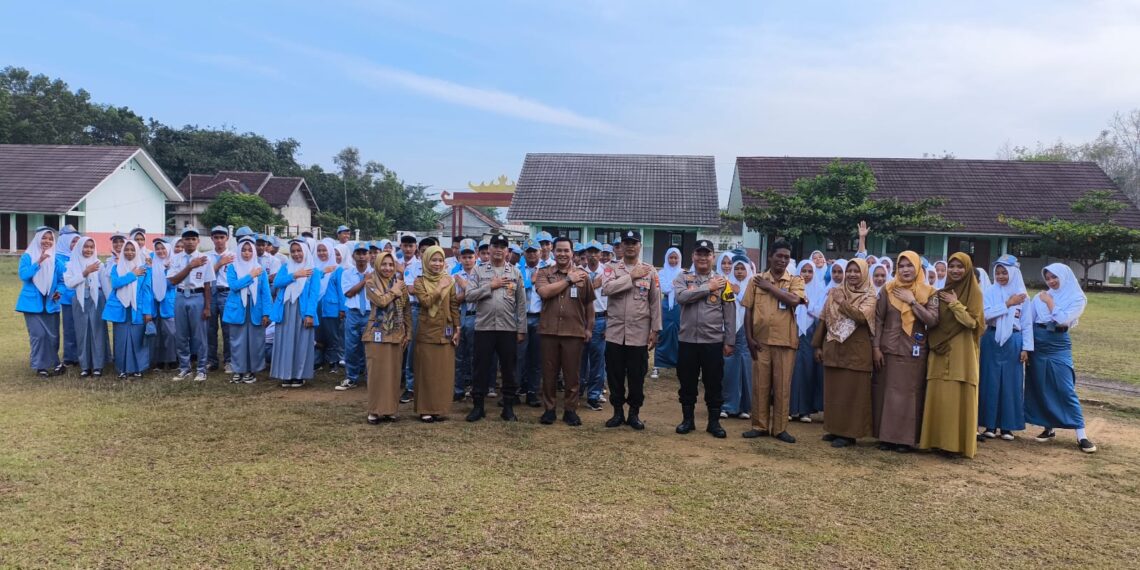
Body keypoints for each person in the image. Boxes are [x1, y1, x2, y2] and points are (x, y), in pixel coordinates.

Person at [1024, 263, 1096, 453]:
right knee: (1040, 385)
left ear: (1064, 276)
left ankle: (1081, 434)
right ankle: (1048, 428)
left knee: (1065, 387)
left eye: (1054, 277)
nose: (1051, 281)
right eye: (1047, 278)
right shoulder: (1039, 297)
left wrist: (1050, 302)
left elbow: (1062, 319)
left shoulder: (1077, 297)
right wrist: (1027, 347)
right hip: (1038, 342)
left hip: (1058, 343)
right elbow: (1029, 322)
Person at [872, 251, 939, 453]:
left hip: (914, 351)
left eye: (909, 265)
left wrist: (912, 301)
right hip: (889, 349)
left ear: (918, 267)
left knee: (910, 395)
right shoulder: (887, 289)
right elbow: (878, 319)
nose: (905, 270)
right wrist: (875, 347)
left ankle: (905, 439)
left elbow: (932, 320)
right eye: (901, 266)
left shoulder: (930, 292)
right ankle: (886, 437)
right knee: (888, 393)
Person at [920, 252, 984, 458]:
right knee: (938, 394)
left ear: (968, 270)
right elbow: (932, 321)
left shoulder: (975, 293)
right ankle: (935, 441)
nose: (956, 270)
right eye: (952, 266)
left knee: (957, 396)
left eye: (960, 267)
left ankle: (955, 445)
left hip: (962, 354)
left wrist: (955, 304)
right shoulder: (939, 293)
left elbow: (972, 323)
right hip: (939, 350)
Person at [741, 239, 805, 443]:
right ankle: (759, 426)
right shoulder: (756, 280)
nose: (783, 260)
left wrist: (770, 287)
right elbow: (748, 310)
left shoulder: (795, 280)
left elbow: (794, 300)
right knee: (760, 385)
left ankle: (780, 429)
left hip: (786, 342)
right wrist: (749, 338)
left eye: (787, 257)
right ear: (770, 256)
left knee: (782, 387)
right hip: (760, 342)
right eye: (779, 256)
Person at [600, 230, 662, 430]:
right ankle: (617, 412)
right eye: (626, 242)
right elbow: (606, 289)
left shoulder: (650, 270)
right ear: (621, 246)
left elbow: (655, 302)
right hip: (615, 333)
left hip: (639, 333)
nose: (630, 246)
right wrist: (631, 277)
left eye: (634, 242)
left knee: (637, 375)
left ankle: (634, 413)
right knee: (615, 375)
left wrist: (655, 330)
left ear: (639, 246)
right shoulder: (611, 268)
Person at [672, 239, 734, 438]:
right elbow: (681, 298)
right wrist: (708, 287)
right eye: (699, 253)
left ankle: (714, 422)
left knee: (714, 382)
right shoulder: (683, 277)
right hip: (688, 340)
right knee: (687, 381)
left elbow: (730, 314)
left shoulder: (724, 282)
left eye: (707, 254)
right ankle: (687, 420)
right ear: (693, 257)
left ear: (713, 257)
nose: (703, 258)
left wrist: (729, 340)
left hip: (713, 341)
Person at [813, 258, 877, 447]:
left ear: (864, 273)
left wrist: (842, 302)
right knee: (834, 392)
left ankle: (849, 434)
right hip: (834, 347)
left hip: (856, 351)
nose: (852, 274)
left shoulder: (870, 296)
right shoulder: (835, 291)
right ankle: (834, 428)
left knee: (853, 393)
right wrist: (817, 345)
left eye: (857, 271)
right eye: (849, 271)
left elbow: (862, 317)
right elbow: (823, 319)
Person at [465, 234, 527, 422]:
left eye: (503, 246)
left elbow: (521, 303)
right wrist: (490, 286)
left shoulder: (515, 272)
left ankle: (508, 407)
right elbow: (469, 295)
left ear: (507, 251)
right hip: (484, 327)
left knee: (509, 368)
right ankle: (478, 407)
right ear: (489, 249)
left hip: (507, 328)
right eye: (495, 246)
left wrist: (521, 328)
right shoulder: (478, 270)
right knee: (480, 367)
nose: (499, 249)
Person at [535, 236, 595, 426]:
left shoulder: (583, 276)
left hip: (573, 332)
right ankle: (549, 410)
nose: (562, 254)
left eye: (566, 250)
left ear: (572, 253)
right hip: (549, 331)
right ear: (553, 252)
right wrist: (568, 280)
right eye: (559, 250)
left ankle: (570, 410)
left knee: (572, 374)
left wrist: (589, 328)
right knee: (549, 372)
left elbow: (589, 305)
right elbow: (545, 293)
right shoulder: (544, 273)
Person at [978, 254, 1030, 440]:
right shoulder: (990, 292)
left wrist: (1026, 348)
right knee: (990, 381)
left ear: (1013, 273)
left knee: (1011, 383)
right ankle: (989, 425)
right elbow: (984, 315)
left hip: (1014, 341)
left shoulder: (1023, 295)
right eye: (998, 273)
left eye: (1004, 273)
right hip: (991, 339)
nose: (1000, 276)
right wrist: (1007, 304)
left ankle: (1007, 427)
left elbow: (1027, 323)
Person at [411, 245, 460, 422]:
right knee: (426, 372)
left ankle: (440, 408)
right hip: (427, 332)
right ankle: (425, 409)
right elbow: (425, 301)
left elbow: (454, 305)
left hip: (446, 332)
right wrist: (440, 287)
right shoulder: (419, 281)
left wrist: (457, 327)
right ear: (426, 261)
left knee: (443, 373)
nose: (437, 264)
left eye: (440, 260)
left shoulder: (450, 281)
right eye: (434, 260)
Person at [363, 250, 411, 423]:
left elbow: (406, 310)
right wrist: (394, 291)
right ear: (377, 265)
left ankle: (390, 410)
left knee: (393, 373)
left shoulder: (401, 284)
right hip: (376, 333)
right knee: (376, 373)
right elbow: (381, 301)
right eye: (384, 264)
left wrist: (409, 333)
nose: (388, 268)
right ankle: (374, 411)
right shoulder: (370, 283)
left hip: (397, 334)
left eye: (391, 265)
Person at [270, 239, 320, 388]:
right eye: (293, 251)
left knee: (302, 342)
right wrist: (295, 275)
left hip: (302, 310)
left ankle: (299, 375)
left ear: (305, 252)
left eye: (299, 250)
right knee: (285, 341)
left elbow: (314, 294)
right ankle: (286, 374)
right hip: (286, 309)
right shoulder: (286, 267)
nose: (296, 254)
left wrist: (310, 314)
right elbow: (277, 283)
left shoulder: (313, 271)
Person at [167, 228, 215, 382]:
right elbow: (173, 281)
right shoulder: (176, 259)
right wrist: (190, 266)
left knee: (199, 336)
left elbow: (207, 285)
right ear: (182, 241)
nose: (190, 242)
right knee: (181, 335)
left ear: (198, 241)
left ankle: (201, 369)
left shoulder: (205, 258)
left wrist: (207, 307)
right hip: (181, 296)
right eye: (187, 239)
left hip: (197, 296)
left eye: (193, 239)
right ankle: (184, 368)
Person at [224, 237, 270, 384]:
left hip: (255, 307)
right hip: (238, 307)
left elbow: (265, 293)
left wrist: (266, 313)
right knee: (237, 340)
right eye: (243, 250)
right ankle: (238, 369)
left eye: (250, 250)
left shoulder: (259, 269)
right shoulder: (233, 267)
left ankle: (251, 370)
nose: (247, 253)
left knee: (255, 340)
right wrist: (250, 276)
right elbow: (234, 286)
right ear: (238, 251)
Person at [104, 241, 153, 379]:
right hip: (121, 308)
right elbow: (115, 283)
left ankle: (138, 368)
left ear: (137, 251)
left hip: (138, 308)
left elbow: (147, 291)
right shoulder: (116, 268)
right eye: (127, 249)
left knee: (137, 339)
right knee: (121, 339)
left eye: (133, 249)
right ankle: (122, 369)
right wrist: (132, 274)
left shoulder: (145, 269)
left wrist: (148, 312)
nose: (129, 252)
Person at [62, 236, 106, 378]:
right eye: (85, 246)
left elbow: (106, 285)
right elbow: (69, 283)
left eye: (91, 247)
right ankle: (85, 366)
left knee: (97, 332)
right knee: (82, 333)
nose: (88, 250)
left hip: (97, 299)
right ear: (79, 247)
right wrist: (85, 272)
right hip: (79, 300)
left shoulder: (99, 263)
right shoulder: (71, 264)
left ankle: (98, 365)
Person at [789, 259, 825, 423]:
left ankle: (804, 410)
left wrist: (808, 306)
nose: (807, 274)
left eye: (810, 271)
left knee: (808, 371)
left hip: (811, 333)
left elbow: (821, 312)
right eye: (804, 271)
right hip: (793, 330)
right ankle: (789, 408)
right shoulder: (791, 288)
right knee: (792, 371)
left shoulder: (821, 289)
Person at [518, 238, 549, 407]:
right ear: (524, 253)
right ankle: (515, 391)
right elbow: (514, 289)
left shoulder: (547, 271)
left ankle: (532, 392)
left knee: (536, 358)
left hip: (538, 317)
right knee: (518, 357)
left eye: (534, 251)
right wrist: (531, 282)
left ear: (540, 253)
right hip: (521, 318)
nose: (531, 254)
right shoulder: (517, 269)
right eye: (528, 251)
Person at [721, 256, 754, 419]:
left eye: (742, 268)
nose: (739, 272)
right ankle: (727, 405)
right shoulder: (727, 284)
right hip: (730, 329)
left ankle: (744, 407)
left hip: (747, 331)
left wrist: (739, 292)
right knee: (729, 368)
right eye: (737, 268)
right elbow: (725, 306)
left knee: (746, 369)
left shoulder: (753, 285)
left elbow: (752, 305)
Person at [579, 240, 609, 411]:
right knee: (578, 359)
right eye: (589, 252)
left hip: (600, 319)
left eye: (595, 252)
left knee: (598, 360)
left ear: (600, 254)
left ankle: (594, 395)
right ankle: (578, 391)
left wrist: (608, 324)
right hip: (580, 319)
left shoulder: (607, 273)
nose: (592, 255)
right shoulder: (579, 272)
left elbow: (612, 299)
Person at [338, 243, 373, 390]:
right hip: (353, 313)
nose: (361, 256)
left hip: (370, 313)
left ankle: (370, 377)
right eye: (358, 253)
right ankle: (351, 377)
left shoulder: (375, 272)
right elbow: (349, 293)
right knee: (351, 347)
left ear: (369, 255)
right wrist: (364, 281)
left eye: (364, 253)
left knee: (370, 347)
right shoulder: (347, 273)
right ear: (353, 256)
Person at [313, 238, 345, 374]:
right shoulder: (314, 268)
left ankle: (334, 362)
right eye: (319, 250)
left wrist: (342, 308)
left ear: (330, 251)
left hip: (331, 307)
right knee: (316, 334)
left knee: (333, 335)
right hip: (315, 306)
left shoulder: (338, 270)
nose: (321, 253)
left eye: (324, 250)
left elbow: (341, 290)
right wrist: (322, 272)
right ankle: (317, 361)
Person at [452, 239, 479, 401]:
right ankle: (458, 389)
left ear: (475, 256)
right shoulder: (454, 275)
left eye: (470, 256)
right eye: (464, 257)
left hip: (478, 315)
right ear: (460, 258)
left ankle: (475, 388)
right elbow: (454, 300)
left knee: (475, 355)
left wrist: (465, 287)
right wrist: (470, 291)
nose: (467, 260)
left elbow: (483, 295)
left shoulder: (482, 273)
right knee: (459, 355)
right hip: (461, 316)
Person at [207, 226, 235, 373]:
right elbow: (207, 275)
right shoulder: (207, 256)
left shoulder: (233, 256)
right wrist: (219, 263)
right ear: (211, 239)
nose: (219, 240)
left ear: (227, 238)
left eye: (222, 237)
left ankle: (229, 360)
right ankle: (211, 360)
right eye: (216, 237)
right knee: (210, 329)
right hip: (210, 293)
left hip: (226, 293)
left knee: (228, 329)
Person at [653, 247, 683, 380]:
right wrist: (675, 284)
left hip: (679, 306)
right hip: (665, 306)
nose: (673, 260)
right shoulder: (661, 272)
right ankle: (657, 365)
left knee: (679, 334)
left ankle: (680, 365)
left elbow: (683, 289)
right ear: (666, 258)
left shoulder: (683, 273)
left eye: (676, 257)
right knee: (662, 333)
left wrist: (674, 285)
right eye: (671, 257)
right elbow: (663, 288)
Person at [399, 234, 422, 403]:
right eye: (405, 245)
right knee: (408, 346)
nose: (408, 249)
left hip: (425, 309)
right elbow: (409, 289)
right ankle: (408, 385)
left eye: (411, 245)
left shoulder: (421, 265)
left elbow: (415, 289)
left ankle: (418, 385)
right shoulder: (396, 263)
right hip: (407, 308)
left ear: (416, 248)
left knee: (421, 348)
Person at [149, 238, 177, 370]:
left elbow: (172, 284)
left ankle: (172, 360)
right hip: (154, 303)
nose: (160, 251)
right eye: (157, 249)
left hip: (168, 303)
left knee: (171, 333)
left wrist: (167, 270)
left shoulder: (174, 263)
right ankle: (159, 361)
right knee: (157, 333)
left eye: (163, 248)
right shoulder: (151, 263)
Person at [56, 225, 81, 367]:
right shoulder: (58, 258)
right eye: (73, 241)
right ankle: (70, 357)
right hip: (67, 298)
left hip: (82, 297)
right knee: (70, 328)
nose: (76, 244)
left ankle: (81, 355)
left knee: (82, 328)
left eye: (78, 241)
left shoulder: (80, 256)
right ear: (65, 241)